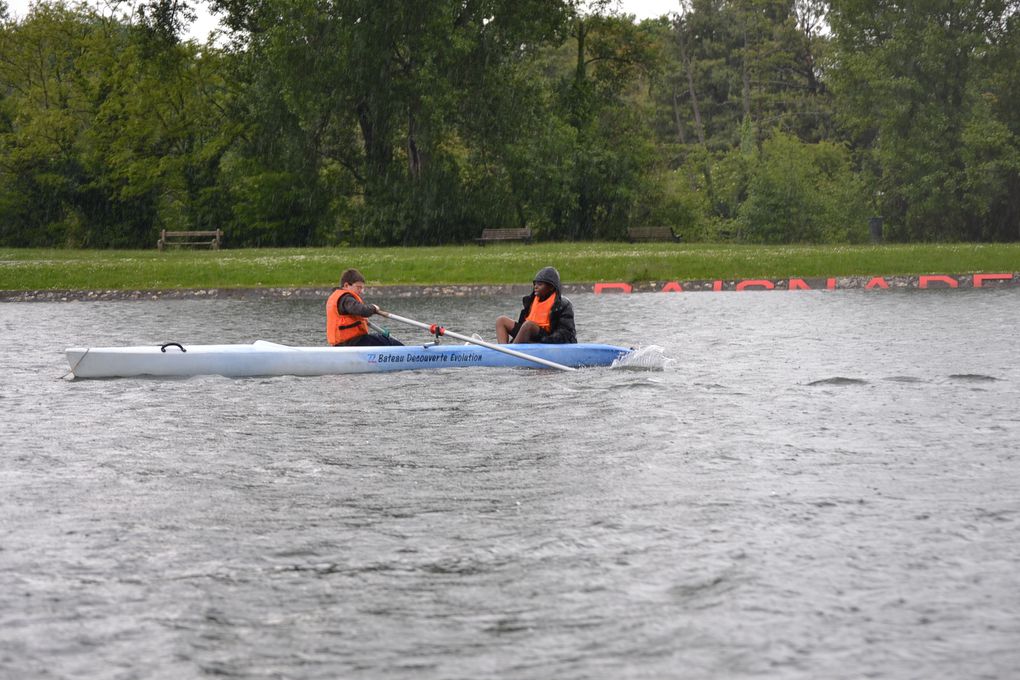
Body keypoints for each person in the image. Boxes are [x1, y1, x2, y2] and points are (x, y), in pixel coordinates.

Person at [496, 266, 577, 344]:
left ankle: (511, 352)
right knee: (501, 320)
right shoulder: (530, 301)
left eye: (540, 284)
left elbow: (566, 334)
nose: (535, 287)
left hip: (548, 338)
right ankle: (504, 350)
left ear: (551, 287)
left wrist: (542, 341)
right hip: (529, 334)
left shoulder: (563, 304)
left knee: (528, 325)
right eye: (535, 284)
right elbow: (522, 327)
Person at [326, 269, 403, 346]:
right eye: (358, 287)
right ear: (346, 285)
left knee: (380, 338)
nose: (361, 291)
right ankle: (405, 353)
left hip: (342, 343)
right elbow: (363, 311)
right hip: (353, 342)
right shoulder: (346, 298)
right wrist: (373, 307)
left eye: (362, 288)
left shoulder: (337, 297)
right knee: (386, 341)